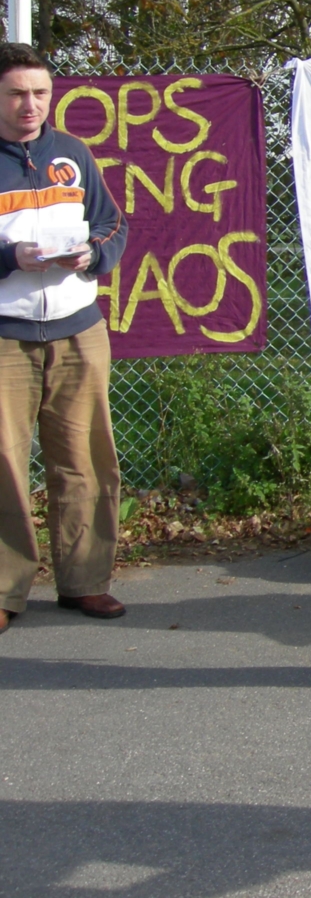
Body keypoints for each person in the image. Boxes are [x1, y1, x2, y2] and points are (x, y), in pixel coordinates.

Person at [0, 43, 129, 634]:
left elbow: (112, 223)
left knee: (85, 459)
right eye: (17, 94)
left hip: (78, 331)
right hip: (6, 337)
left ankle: (85, 581)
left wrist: (94, 253)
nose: (31, 105)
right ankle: (6, 590)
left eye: (40, 94)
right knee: (4, 465)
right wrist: (10, 257)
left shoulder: (73, 154)